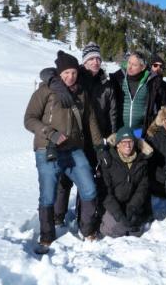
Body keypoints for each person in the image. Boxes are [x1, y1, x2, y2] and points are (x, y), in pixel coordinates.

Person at [24, 51, 103, 248]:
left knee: (89, 188)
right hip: (47, 148)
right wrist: (49, 133)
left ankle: (87, 230)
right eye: (66, 72)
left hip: (73, 149)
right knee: (48, 193)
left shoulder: (81, 93)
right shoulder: (45, 91)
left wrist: (99, 145)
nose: (70, 76)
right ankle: (47, 235)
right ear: (59, 73)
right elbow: (29, 119)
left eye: (74, 72)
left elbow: (91, 121)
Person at [40, 42, 118, 225]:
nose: (95, 62)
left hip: (96, 138)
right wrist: (56, 84)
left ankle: (83, 219)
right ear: (84, 61)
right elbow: (46, 72)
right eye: (91, 59)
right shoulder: (75, 75)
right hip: (73, 135)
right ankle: (58, 218)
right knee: (64, 180)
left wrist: (111, 137)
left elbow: (112, 113)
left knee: (88, 179)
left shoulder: (106, 83)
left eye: (98, 58)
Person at [99, 127, 151, 238]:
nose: (128, 145)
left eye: (130, 141)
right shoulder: (109, 160)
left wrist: (133, 207)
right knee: (114, 228)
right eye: (124, 142)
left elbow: (142, 188)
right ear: (117, 144)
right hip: (113, 205)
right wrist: (118, 213)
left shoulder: (141, 161)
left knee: (134, 227)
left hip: (131, 204)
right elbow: (105, 192)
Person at [110, 51, 166, 136]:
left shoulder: (151, 82)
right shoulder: (118, 79)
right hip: (121, 130)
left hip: (140, 131)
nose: (129, 67)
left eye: (134, 65)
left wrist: (153, 127)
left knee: (139, 148)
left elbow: (161, 108)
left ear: (143, 67)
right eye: (129, 63)